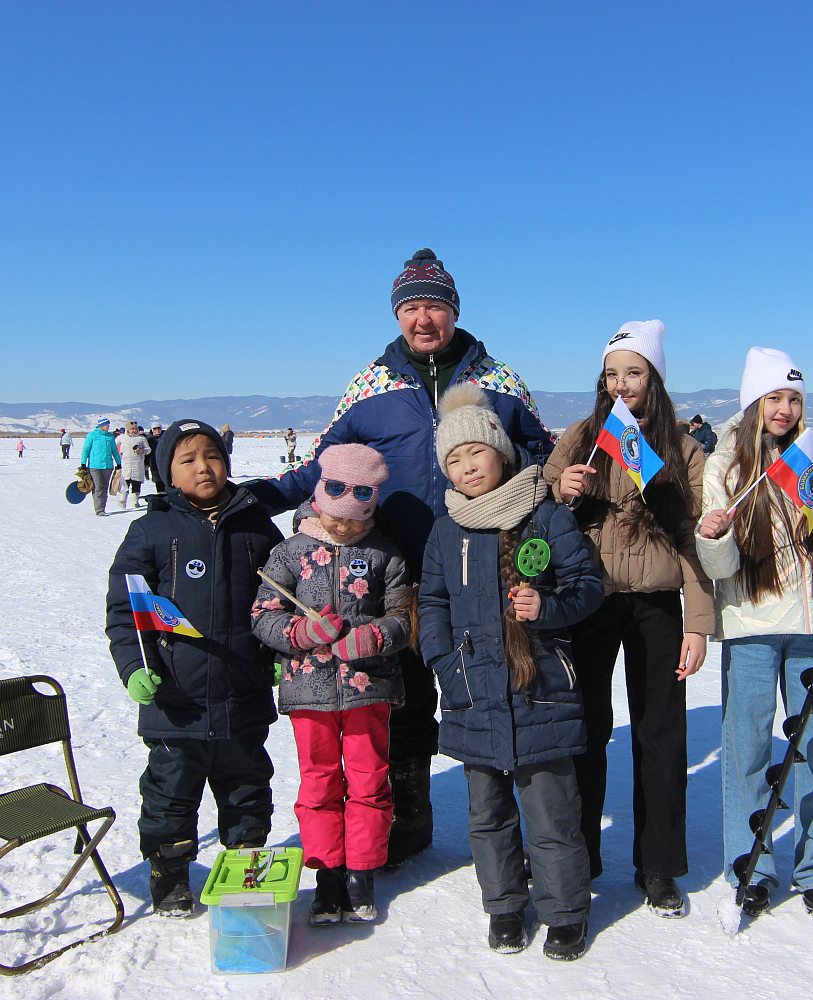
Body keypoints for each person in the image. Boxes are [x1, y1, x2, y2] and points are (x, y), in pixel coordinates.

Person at [254, 248, 555, 867]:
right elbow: (322, 463)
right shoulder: (372, 384)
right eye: (412, 308)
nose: (424, 319)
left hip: (483, 564)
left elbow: (543, 452)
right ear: (397, 316)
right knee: (403, 699)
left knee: (491, 690)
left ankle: (507, 828)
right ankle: (407, 821)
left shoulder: (498, 380)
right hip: (395, 574)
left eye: (435, 307)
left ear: (454, 312)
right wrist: (256, 496)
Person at [695, 347, 813, 920]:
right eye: (774, 398)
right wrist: (713, 535)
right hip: (752, 627)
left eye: (794, 399)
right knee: (747, 750)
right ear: (753, 402)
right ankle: (751, 867)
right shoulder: (725, 466)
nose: (785, 409)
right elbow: (720, 566)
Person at [418, 384, 603, 960]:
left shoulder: (545, 514)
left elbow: (587, 587)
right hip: (473, 691)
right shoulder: (446, 529)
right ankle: (503, 907)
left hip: (540, 688)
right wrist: (444, 661)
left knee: (552, 811)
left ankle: (565, 913)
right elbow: (432, 603)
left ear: (500, 450)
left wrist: (547, 607)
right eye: (454, 459)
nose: (468, 467)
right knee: (488, 814)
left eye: (476, 451)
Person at [543, 320, 712, 917]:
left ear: (655, 380)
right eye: (612, 374)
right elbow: (541, 507)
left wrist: (697, 623)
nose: (621, 384)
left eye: (634, 373)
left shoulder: (684, 449)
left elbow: (694, 539)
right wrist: (561, 488)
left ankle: (659, 866)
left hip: (657, 604)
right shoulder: (582, 436)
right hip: (587, 599)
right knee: (585, 730)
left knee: (660, 735)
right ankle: (579, 858)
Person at [105, 419, 284, 917]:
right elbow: (124, 611)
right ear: (168, 473)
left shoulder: (255, 525)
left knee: (247, 788)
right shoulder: (150, 530)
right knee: (170, 794)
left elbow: (279, 599)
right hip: (176, 697)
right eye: (188, 460)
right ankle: (169, 876)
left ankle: (246, 869)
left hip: (243, 690)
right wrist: (133, 667)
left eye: (213, 455)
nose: (204, 467)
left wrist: (277, 655)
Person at [252, 444, 411, 925]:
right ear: (319, 498)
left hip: (369, 688)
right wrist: (300, 633)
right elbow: (263, 615)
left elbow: (403, 617)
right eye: (334, 516)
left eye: (354, 518)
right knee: (319, 781)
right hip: (309, 691)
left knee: (369, 778)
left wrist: (375, 636)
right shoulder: (289, 553)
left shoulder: (385, 554)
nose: (343, 527)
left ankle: (362, 871)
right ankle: (327, 874)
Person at [79, 418, 123, 515]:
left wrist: (118, 463)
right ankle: (99, 509)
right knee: (98, 487)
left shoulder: (110, 436)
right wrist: (83, 464)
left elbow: (114, 450)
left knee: (104, 487)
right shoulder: (91, 435)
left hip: (108, 466)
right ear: (101, 425)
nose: (108, 426)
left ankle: (102, 508)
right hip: (94, 466)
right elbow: (86, 449)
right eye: (107, 425)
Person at [119, 422, 149, 509]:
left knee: (136, 483)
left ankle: (135, 501)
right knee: (125, 483)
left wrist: (142, 451)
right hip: (126, 465)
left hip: (137, 464)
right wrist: (118, 453)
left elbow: (148, 450)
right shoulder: (122, 438)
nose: (134, 430)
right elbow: (113, 446)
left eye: (135, 429)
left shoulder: (141, 438)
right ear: (128, 429)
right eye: (132, 429)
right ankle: (122, 501)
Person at [146, 424, 165, 494]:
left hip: (165, 461)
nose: (157, 430)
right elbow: (147, 453)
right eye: (155, 429)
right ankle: (160, 494)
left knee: (166, 479)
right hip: (154, 461)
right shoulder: (149, 439)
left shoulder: (166, 437)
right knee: (157, 479)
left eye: (158, 428)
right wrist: (146, 463)